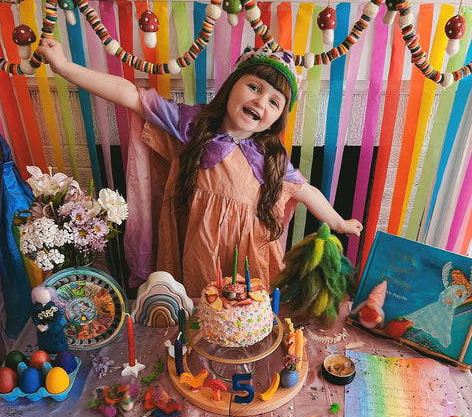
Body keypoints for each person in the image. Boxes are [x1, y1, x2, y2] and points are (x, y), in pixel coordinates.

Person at [37, 40, 363, 297]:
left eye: (275, 101)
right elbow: (129, 95)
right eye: (255, 87)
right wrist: (64, 67)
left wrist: (338, 221)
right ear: (232, 85)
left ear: (278, 117)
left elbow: (305, 191)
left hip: (246, 254)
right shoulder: (193, 125)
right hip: (195, 244)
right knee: (197, 307)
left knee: (241, 317)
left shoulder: (270, 157)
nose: (262, 101)